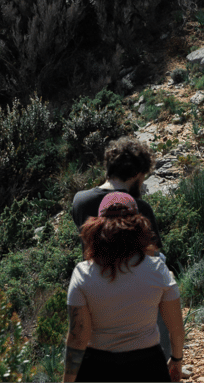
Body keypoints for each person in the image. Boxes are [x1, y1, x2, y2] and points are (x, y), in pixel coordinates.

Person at [64, 192, 184, 382]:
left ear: (98, 226)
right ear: (139, 225)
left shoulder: (83, 274)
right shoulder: (158, 270)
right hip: (148, 366)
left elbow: (79, 337)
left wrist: (68, 380)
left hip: (98, 367)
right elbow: (175, 327)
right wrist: (176, 360)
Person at [71, 137, 170, 359]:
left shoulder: (80, 201)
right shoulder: (139, 207)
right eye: (143, 178)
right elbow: (152, 253)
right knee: (162, 267)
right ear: (136, 174)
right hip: (134, 295)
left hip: (94, 286)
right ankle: (165, 357)